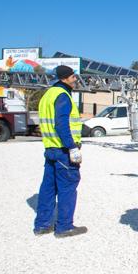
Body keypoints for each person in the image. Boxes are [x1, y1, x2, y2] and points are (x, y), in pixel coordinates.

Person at [33, 65, 86, 237]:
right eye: (73, 76)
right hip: (63, 150)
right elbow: (61, 124)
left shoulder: (48, 95)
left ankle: (42, 225)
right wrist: (72, 147)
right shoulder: (63, 95)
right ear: (65, 78)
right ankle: (64, 226)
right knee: (67, 187)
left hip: (50, 148)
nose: (75, 79)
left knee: (48, 188)